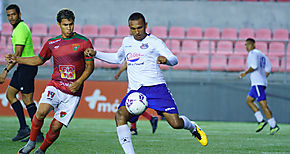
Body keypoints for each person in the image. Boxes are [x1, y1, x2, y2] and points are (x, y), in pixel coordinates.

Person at [85, 12, 208, 153]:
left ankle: (192, 127)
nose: (137, 32)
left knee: (176, 123)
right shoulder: (127, 42)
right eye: (133, 28)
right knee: (120, 115)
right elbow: (117, 59)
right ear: (129, 28)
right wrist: (97, 54)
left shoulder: (155, 42)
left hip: (156, 88)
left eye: (140, 28)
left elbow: (174, 59)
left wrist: (166, 60)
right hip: (135, 91)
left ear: (146, 26)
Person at [6, 8, 94, 154]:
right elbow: (39, 60)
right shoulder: (52, 43)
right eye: (65, 24)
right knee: (40, 112)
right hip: (55, 86)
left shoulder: (84, 42)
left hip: (73, 93)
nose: (69, 27)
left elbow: (90, 67)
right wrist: (17, 59)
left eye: (71, 24)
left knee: (55, 127)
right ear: (59, 24)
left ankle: (41, 150)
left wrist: (79, 82)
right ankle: (31, 143)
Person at [0, 4, 43, 142]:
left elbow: (17, 55)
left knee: (27, 100)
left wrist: (5, 71)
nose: (11, 17)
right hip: (22, 67)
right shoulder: (18, 28)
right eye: (8, 15)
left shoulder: (20, 29)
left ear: (19, 14)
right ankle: (24, 128)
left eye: (13, 14)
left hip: (27, 67)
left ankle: (38, 134)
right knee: (10, 95)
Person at [239, 38, 279, 135]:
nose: (246, 47)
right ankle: (261, 120)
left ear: (253, 44)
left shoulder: (252, 53)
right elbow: (269, 67)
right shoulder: (261, 54)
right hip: (259, 82)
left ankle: (273, 125)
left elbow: (254, 66)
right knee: (249, 100)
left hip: (257, 83)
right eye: (245, 45)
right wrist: (263, 77)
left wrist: (244, 73)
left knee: (263, 104)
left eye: (248, 44)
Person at [114, 61, 158, 135]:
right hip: (141, 85)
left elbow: (126, 64)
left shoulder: (133, 55)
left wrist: (119, 73)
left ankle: (134, 128)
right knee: (136, 106)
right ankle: (149, 120)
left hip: (135, 86)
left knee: (131, 106)